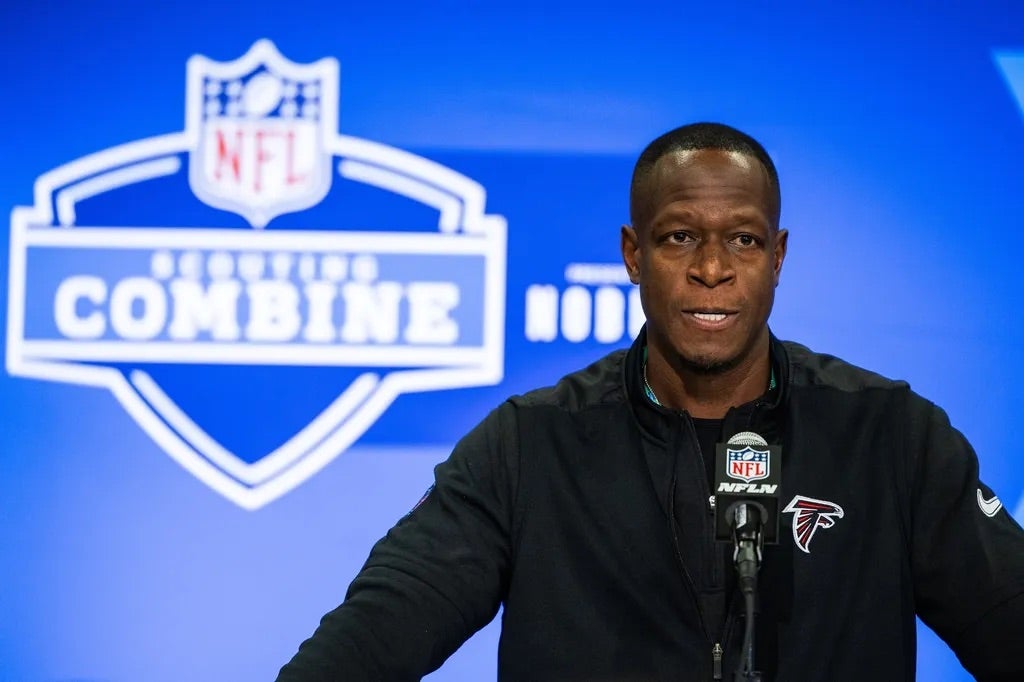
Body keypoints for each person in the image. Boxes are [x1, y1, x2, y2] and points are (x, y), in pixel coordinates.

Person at [277, 123, 1024, 681]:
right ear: (633, 254)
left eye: (743, 241)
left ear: (779, 257)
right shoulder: (531, 446)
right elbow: (368, 642)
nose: (710, 270)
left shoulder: (889, 436)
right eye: (678, 238)